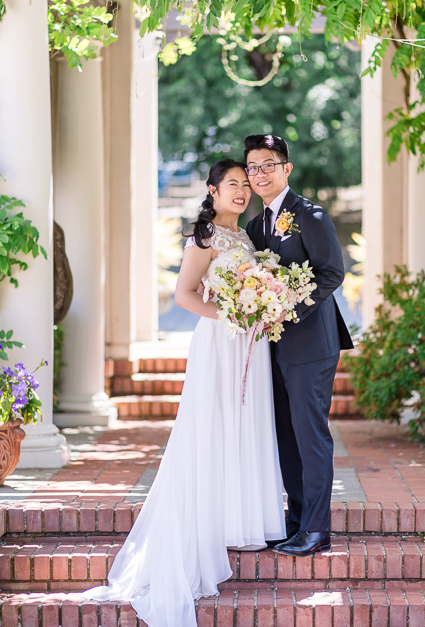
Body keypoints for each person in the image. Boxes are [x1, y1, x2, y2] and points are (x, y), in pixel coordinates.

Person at [83, 159, 285, 627]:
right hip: (220, 343)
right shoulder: (207, 237)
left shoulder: (247, 236)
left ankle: (241, 518)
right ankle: (206, 521)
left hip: (248, 345)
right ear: (212, 192)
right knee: (212, 427)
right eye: (230, 185)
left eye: (243, 185)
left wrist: (262, 308)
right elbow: (184, 295)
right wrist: (233, 316)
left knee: (246, 423)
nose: (240, 192)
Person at [245, 134, 354, 557]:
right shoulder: (256, 226)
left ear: (286, 168)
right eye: (253, 167)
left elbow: (331, 273)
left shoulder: (310, 214)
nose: (259, 174)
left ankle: (317, 529)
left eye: (268, 165)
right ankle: (296, 523)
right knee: (285, 436)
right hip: (272, 349)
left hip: (311, 345)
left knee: (310, 435)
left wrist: (287, 309)